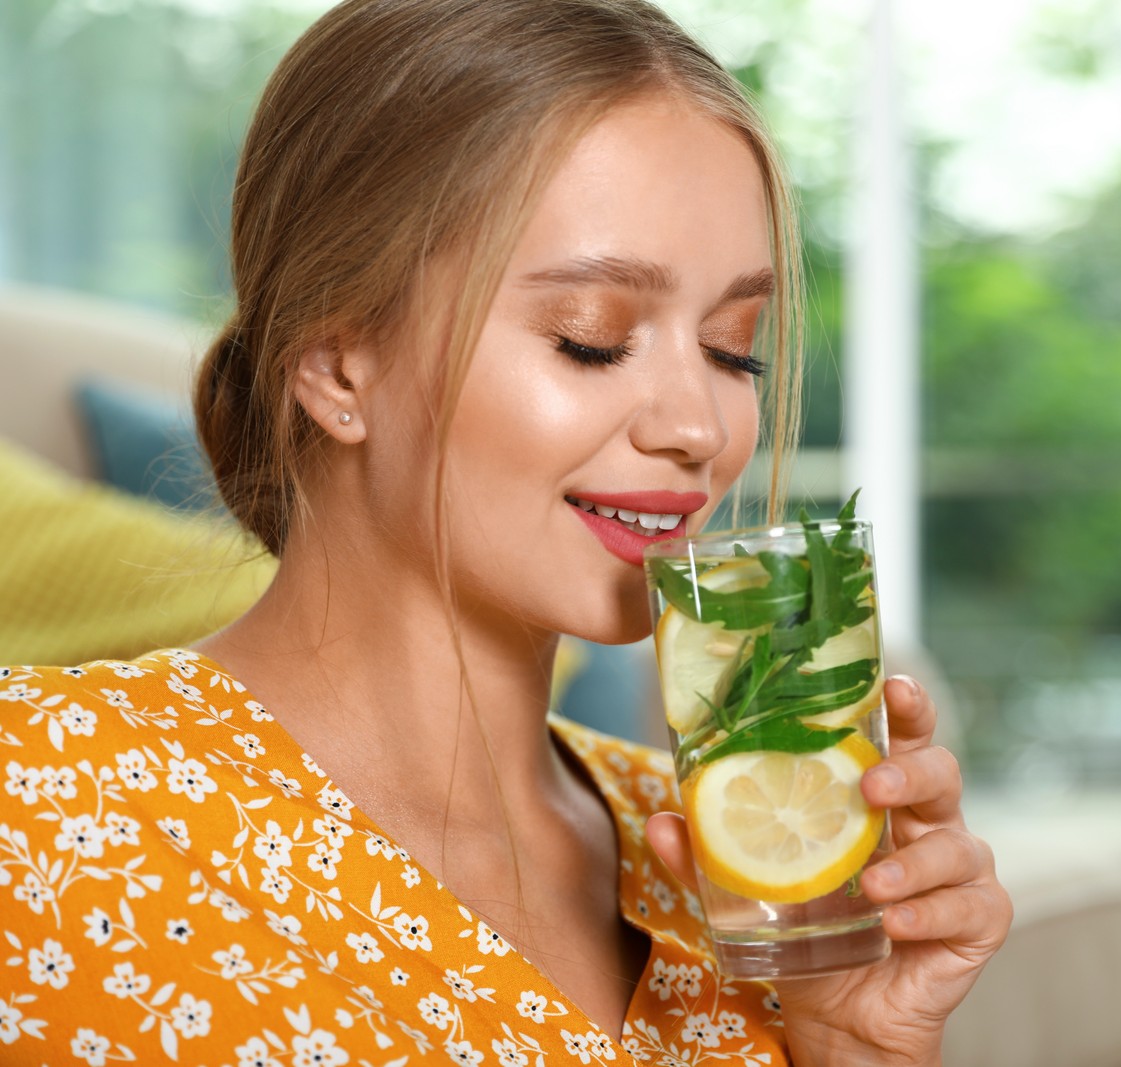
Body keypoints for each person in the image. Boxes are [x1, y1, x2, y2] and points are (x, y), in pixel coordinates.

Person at [0, 0, 1012, 1061]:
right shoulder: (43, 803)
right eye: (592, 341)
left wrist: (851, 1044)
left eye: (732, 350)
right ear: (340, 366)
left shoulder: (740, 867)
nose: (700, 428)